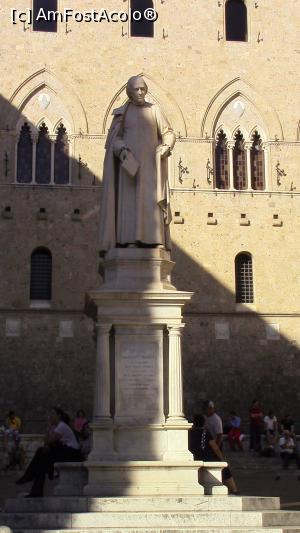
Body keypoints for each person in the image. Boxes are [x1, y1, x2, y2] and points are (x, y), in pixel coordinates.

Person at [99, 75, 176, 254]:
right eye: (137, 89)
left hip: (151, 167)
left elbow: (168, 133)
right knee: (130, 205)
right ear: (130, 92)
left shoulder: (154, 110)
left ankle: (155, 240)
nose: (140, 92)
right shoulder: (122, 114)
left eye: (143, 88)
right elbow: (114, 139)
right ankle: (128, 241)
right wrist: (122, 150)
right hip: (129, 170)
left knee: (151, 202)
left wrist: (166, 146)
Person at [16, 407, 83, 497]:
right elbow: (46, 442)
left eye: (52, 414)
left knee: (41, 454)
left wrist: (49, 428)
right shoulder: (56, 427)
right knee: (41, 461)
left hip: (72, 454)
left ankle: (29, 476)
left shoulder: (62, 426)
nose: (50, 416)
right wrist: (49, 427)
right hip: (65, 451)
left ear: (58, 416)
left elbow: (49, 441)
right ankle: (36, 490)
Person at [189, 414, 238, 494]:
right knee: (224, 468)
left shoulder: (189, 433)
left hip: (194, 457)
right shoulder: (205, 433)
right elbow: (214, 447)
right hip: (207, 457)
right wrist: (222, 459)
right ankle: (233, 489)